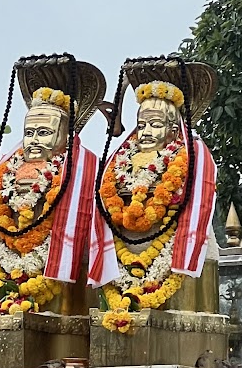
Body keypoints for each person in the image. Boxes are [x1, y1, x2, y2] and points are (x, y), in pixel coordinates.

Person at [0, 67, 102, 317]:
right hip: (7, 268)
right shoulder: (5, 172)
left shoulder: (81, 172)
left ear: (66, 135)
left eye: (44, 132)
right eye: (29, 133)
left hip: (63, 278)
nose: (34, 140)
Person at [88, 69, 218, 321]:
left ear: (173, 130)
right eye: (141, 125)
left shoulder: (187, 158)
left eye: (156, 125)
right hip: (122, 246)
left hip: (171, 249)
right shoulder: (121, 161)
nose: (146, 132)